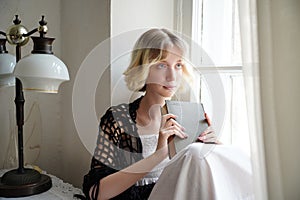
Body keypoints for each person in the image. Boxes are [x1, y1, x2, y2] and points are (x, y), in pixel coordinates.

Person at [81, 28, 252, 200]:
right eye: (162, 65)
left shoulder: (191, 117)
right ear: (144, 69)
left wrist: (213, 147)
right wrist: (159, 154)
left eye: (178, 65)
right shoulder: (117, 119)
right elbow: (96, 193)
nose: (172, 76)